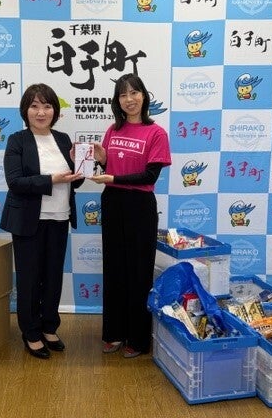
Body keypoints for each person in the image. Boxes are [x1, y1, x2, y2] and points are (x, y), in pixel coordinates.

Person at [89, 73, 172, 358]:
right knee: (114, 268)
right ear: (118, 101)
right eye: (123, 95)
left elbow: (150, 175)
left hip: (140, 205)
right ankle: (113, 332)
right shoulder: (113, 130)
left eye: (134, 92)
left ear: (144, 96)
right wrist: (102, 160)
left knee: (138, 271)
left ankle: (137, 338)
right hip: (113, 202)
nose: (129, 99)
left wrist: (113, 177)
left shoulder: (156, 133)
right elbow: (110, 168)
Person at [0, 83, 84, 359]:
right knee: (29, 278)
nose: (41, 112)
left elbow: (74, 181)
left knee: (52, 277)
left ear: (55, 111)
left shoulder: (63, 139)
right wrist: (51, 179)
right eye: (34, 106)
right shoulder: (17, 140)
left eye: (47, 106)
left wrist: (82, 169)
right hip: (28, 220)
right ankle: (31, 332)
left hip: (59, 217)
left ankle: (49, 326)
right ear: (25, 110)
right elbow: (15, 182)